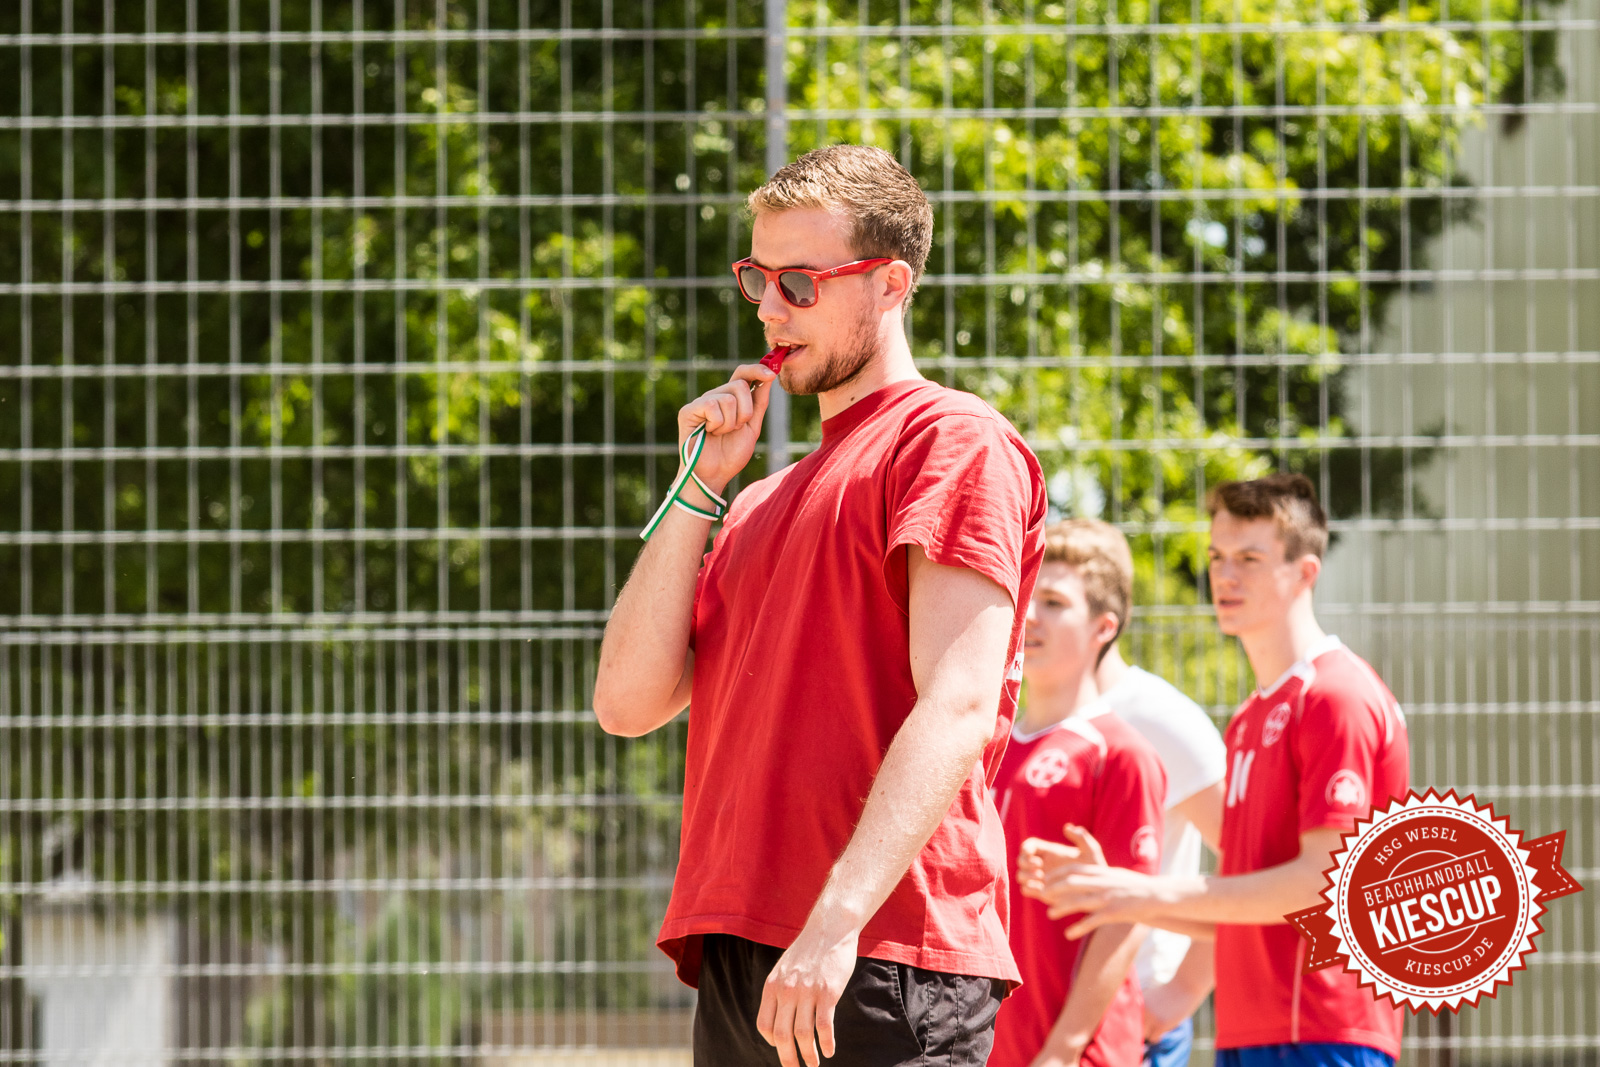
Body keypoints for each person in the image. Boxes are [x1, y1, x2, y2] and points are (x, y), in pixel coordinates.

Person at [592, 144, 1047, 1067]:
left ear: (890, 284)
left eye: (799, 282)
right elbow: (627, 703)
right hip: (741, 949)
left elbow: (959, 704)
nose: (766, 306)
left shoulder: (951, 440)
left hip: (877, 954)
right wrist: (697, 488)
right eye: (757, 277)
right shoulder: (757, 500)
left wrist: (834, 924)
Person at [1019, 474, 1410, 1067]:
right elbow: (1241, 901)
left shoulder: (1337, 696)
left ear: (1306, 572)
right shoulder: (1253, 715)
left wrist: (1138, 897)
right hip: (1250, 1030)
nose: (1225, 576)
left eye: (1250, 559)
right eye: (1217, 556)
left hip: (1325, 1028)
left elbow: (1323, 886)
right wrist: (1112, 896)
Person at [991, 520, 1167, 1067]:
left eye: (1055, 602)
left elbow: (1129, 917)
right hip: (988, 1045)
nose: (1032, 616)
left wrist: (1063, 1050)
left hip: (1075, 1053)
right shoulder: (986, 742)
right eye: (1028, 596)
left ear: (1102, 628)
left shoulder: (1120, 752)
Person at [1082, 521, 1227, 1067]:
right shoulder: (1033, 717)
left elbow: (1252, 863)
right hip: (1044, 1012)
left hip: (1136, 1018)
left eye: (1052, 597)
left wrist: (1182, 992)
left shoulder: (1164, 719)